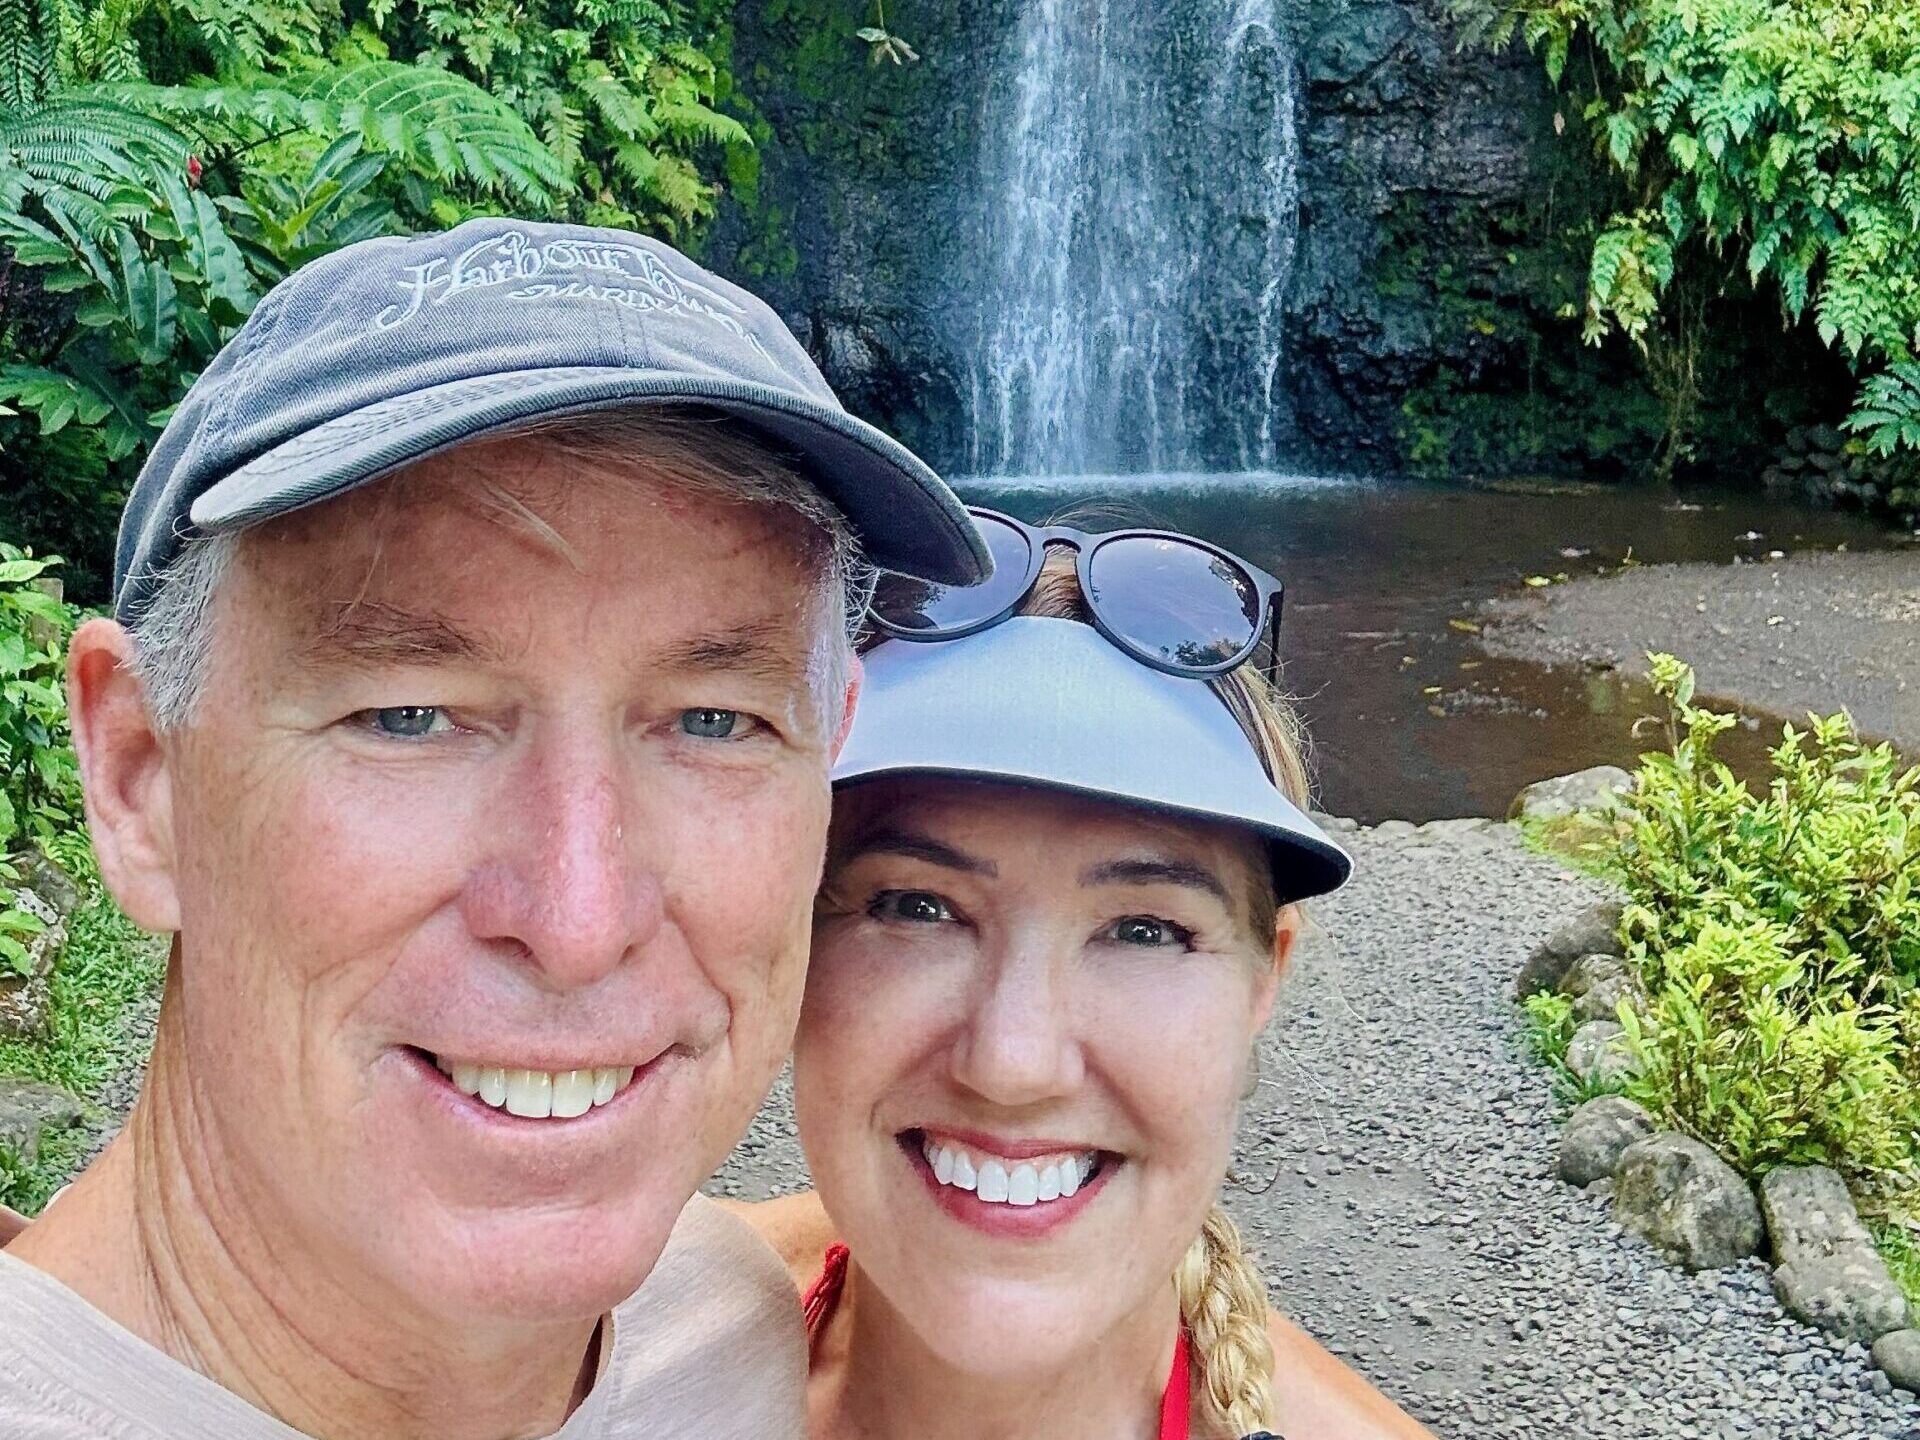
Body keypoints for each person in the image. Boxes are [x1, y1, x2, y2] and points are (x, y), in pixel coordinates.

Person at [0, 217, 987, 1438]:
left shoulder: (730, 1328)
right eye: (409, 716)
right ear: (141, 778)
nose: (578, 921)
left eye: (717, 722)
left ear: (828, 752)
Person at [736, 510, 1437, 1439]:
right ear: (793, 943)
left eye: (1144, 930)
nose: (1012, 1063)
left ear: (1266, 975)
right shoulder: (623, 1338)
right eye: (917, 907)